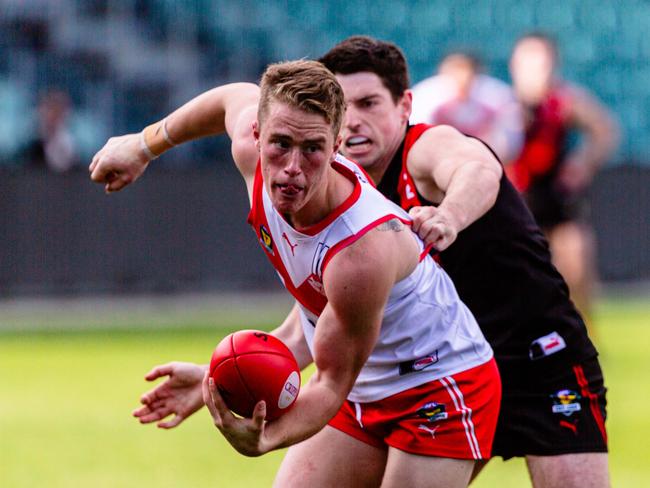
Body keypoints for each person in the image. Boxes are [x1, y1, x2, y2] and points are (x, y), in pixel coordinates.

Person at [93, 36, 609, 487]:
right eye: (346, 104)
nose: (355, 120)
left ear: (404, 106)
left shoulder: (411, 167)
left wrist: (448, 215)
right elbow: (317, 323)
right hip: (392, 372)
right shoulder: (298, 167)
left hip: (526, 360)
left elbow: (478, 168)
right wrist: (144, 144)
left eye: (369, 103)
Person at [507, 32, 619, 325]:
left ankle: (582, 335)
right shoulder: (501, 104)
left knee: (576, 267)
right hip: (516, 199)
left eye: (542, 61)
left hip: (556, 196)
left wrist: (582, 162)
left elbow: (605, 130)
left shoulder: (564, 101)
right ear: (515, 64)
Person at [410, 51, 523, 164]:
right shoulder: (426, 98)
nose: (461, 80)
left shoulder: (497, 99)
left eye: (466, 72)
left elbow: (509, 148)